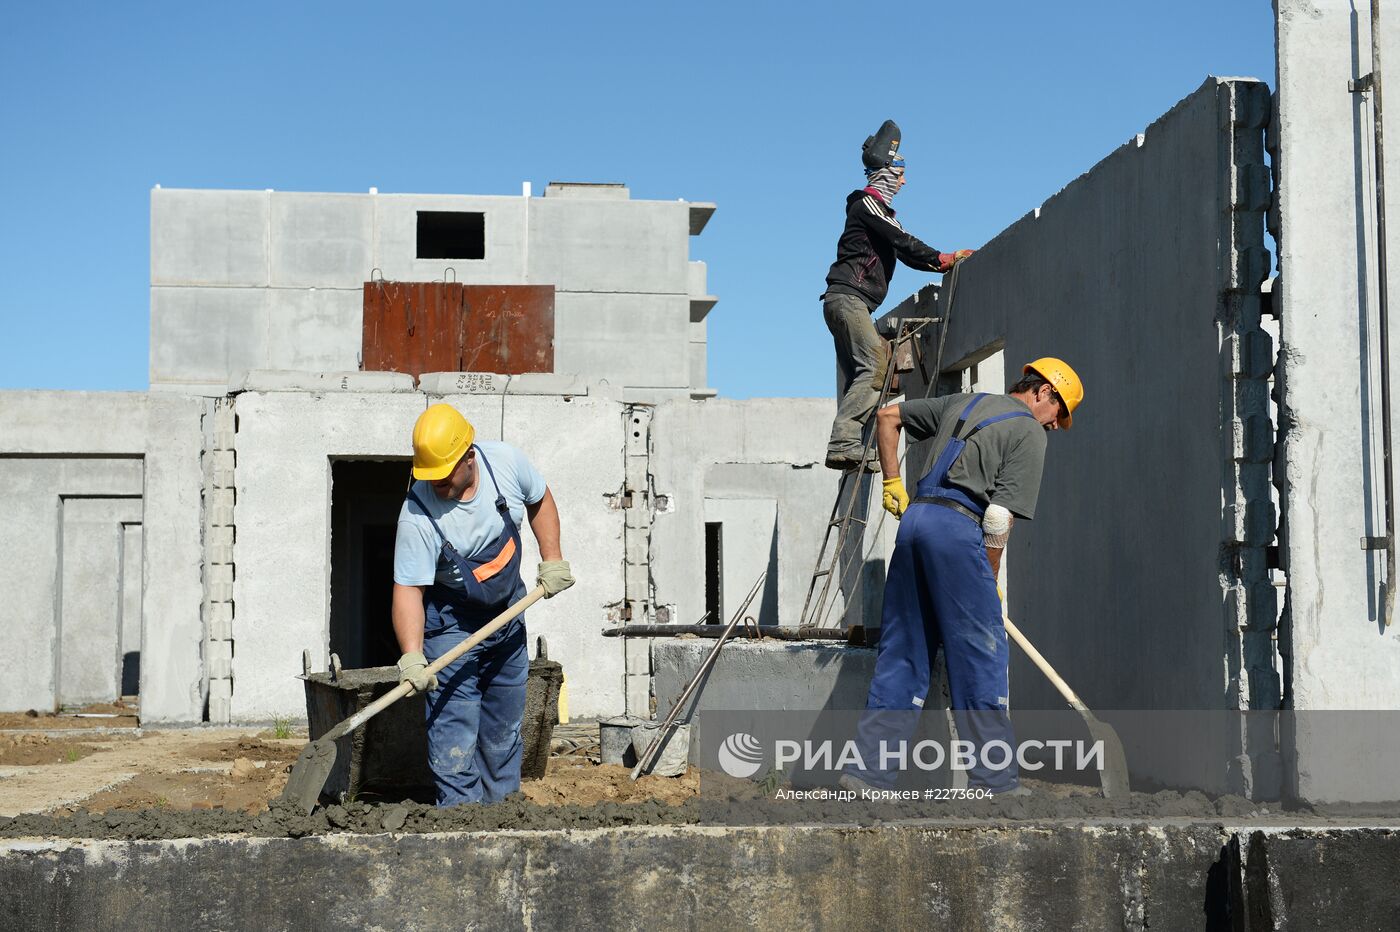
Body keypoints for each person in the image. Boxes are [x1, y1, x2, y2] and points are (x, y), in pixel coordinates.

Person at [843, 358, 1084, 794]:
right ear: (1044, 393)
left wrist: (893, 483)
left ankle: (867, 774)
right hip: (957, 531)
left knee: (903, 653)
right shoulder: (1028, 430)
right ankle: (994, 782)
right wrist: (988, 580)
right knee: (981, 656)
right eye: (1058, 415)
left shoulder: (965, 402)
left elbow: (887, 416)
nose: (1052, 427)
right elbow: (996, 518)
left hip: (915, 523)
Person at [391, 403, 575, 806]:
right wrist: (412, 655)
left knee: (503, 731)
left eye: (443, 473)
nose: (434, 481)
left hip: (508, 614)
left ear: (469, 457)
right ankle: (460, 826)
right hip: (451, 626)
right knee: (453, 733)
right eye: (428, 475)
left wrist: (553, 556)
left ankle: (502, 818)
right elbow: (408, 590)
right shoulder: (417, 515)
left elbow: (539, 498)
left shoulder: (505, 463)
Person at [822, 119, 976, 471]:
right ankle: (843, 442)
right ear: (887, 172)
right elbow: (902, 241)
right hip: (849, 299)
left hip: (843, 301)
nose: (904, 181)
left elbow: (903, 252)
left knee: (861, 375)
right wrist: (943, 258)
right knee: (875, 367)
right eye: (900, 173)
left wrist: (937, 264)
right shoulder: (868, 204)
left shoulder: (877, 211)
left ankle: (850, 447)